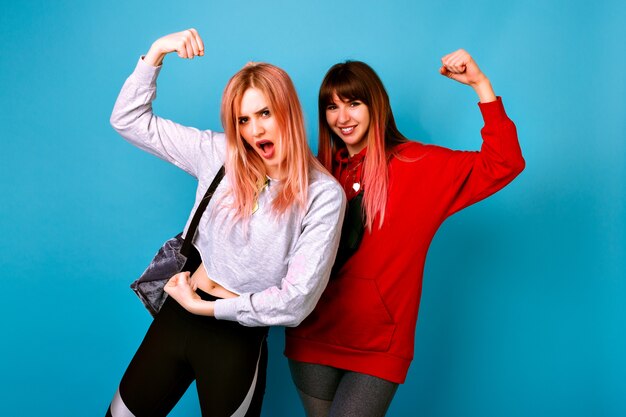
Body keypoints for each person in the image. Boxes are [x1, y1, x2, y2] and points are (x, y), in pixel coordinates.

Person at [105, 28, 345, 417]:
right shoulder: (220, 154)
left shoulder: (322, 195)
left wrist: (206, 310)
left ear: (288, 110)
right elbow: (128, 120)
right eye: (243, 119)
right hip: (177, 318)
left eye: (265, 113)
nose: (254, 131)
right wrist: (157, 52)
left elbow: (297, 300)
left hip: (236, 339)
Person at [285, 49, 525, 416]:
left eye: (354, 103)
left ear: (375, 105)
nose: (343, 117)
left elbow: (504, 163)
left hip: (379, 347)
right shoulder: (317, 174)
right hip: (312, 336)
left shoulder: (418, 165)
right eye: (332, 107)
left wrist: (481, 85)